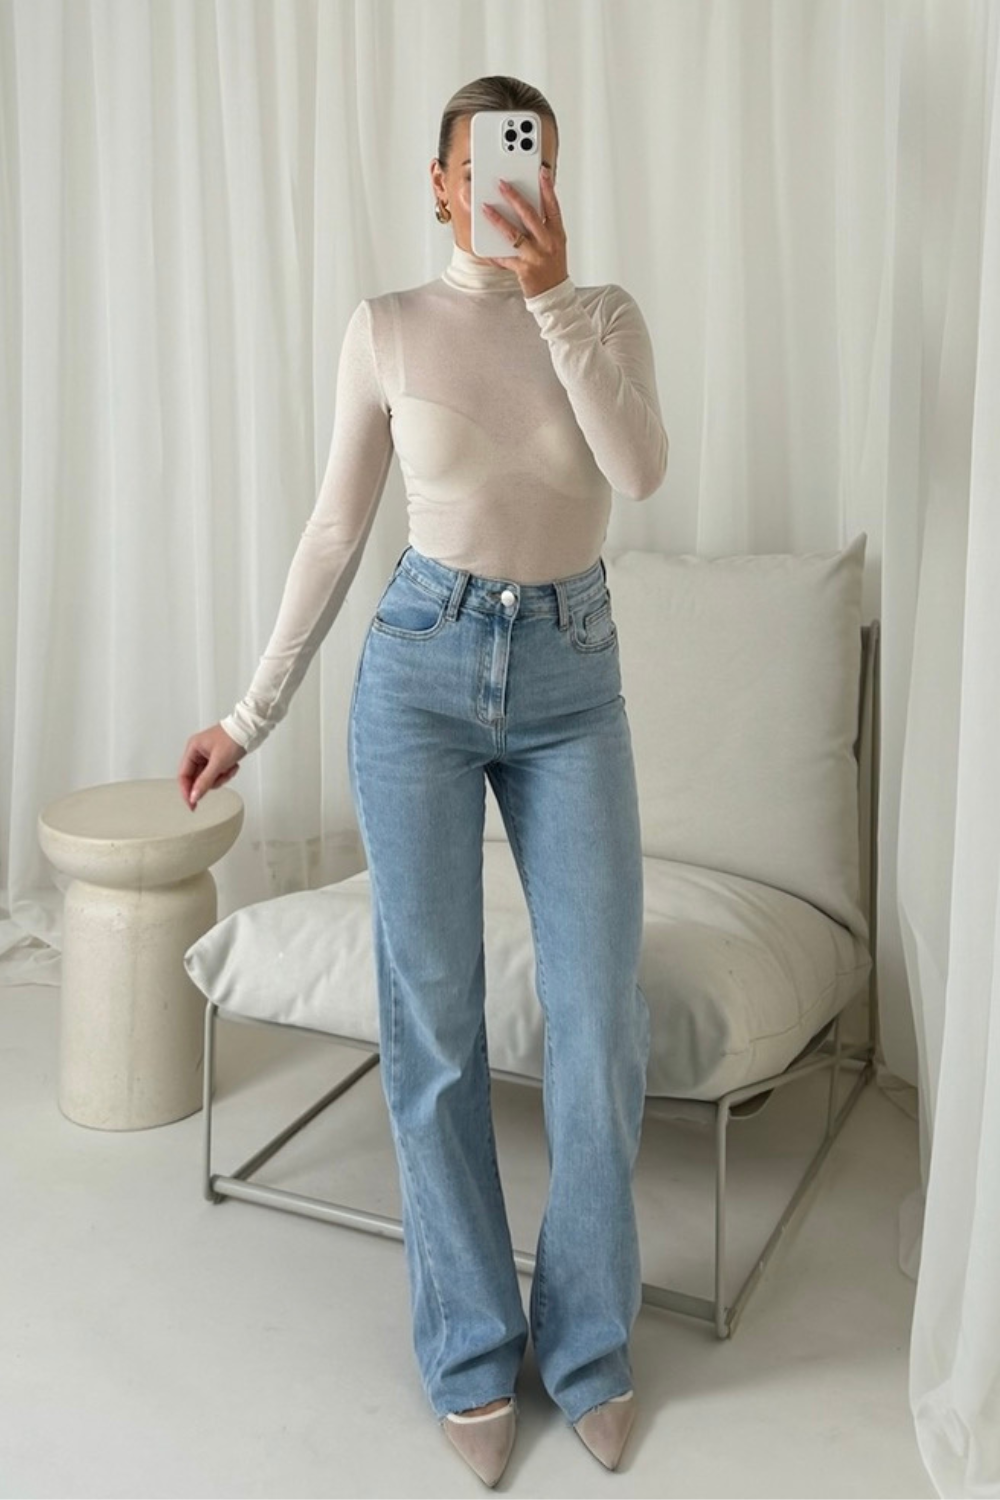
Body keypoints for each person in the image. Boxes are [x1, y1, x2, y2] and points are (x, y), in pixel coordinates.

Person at [178, 73, 668, 1489]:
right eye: (490, 163)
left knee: (599, 1023)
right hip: (421, 676)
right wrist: (248, 716)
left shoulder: (604, 315)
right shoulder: (388, 326)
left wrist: (554, 296)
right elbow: (336, 534)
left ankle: (588, 1344)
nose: (514, 183)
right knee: (437, 1028)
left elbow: (638, 473)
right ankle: (468, 1348)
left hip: (573, 684)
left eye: (539, 162)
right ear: (443, 182)